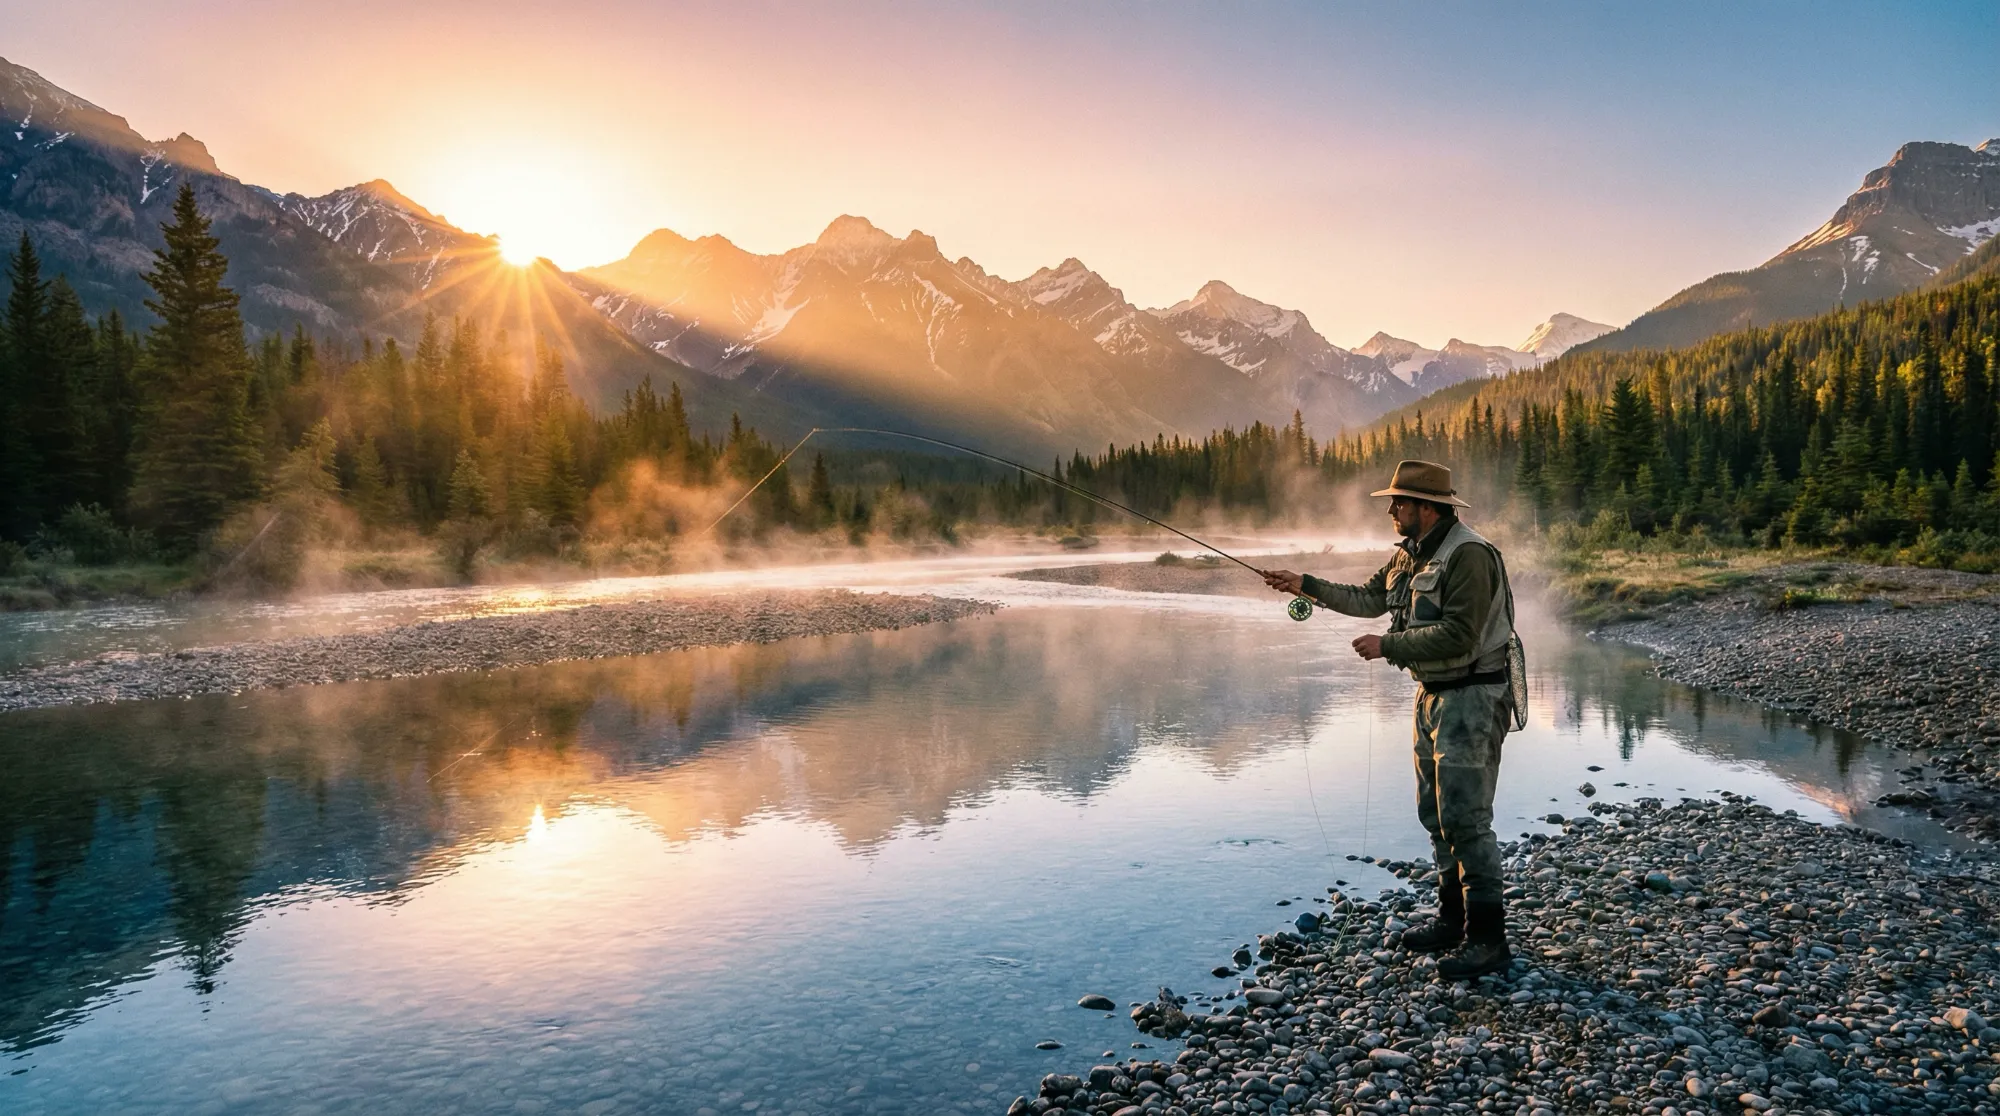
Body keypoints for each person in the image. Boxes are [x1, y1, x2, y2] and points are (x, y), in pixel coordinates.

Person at [1262, 459, 1519, 978]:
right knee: (1435, 813)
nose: (1390, 510)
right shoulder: (1409, 555)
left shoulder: (1469, 554)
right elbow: (1369, 598)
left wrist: (1389, 645)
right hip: (1431, 696)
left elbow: (1461, 634)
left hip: (1473, 698)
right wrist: (1303, 584)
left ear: (1427, 506)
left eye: (1397, 502)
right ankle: (1452, 920)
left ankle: (1489, 940)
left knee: (1467, 818)